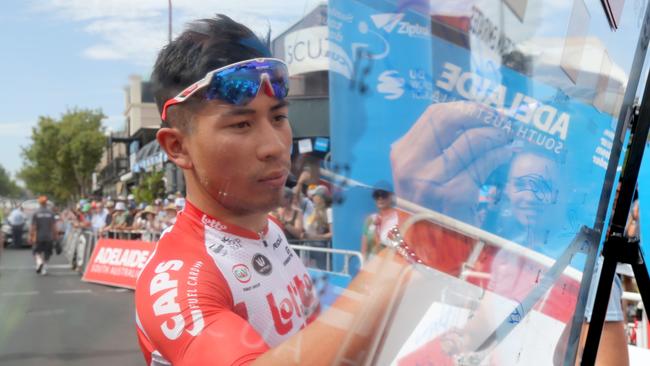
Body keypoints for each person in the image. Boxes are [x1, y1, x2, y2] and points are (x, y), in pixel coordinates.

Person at [134, 15, 413, 366]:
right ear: (177, 148)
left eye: (278, 118)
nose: (276, 147)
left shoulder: (270, 231)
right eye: (241, 124)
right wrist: (403, 256)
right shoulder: (180, 277)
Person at [361, 188, 398, 260]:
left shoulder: (398, 218)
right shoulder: (370, 219)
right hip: (371, 265)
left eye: (384, 195)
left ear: (391, 197)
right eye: (376, 195)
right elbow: (364, 248)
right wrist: (363, 264)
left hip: (390, 264)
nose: (380, 198)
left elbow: (399, 246)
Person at [29, 196, 57, 275]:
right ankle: (45, 268)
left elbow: (33, 226)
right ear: (46, 203)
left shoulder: (36, 213)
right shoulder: (51, 213)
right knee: (47, 253)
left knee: (36, 251)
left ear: (39, 203)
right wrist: (56, 236)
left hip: (38, 236)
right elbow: (54, 226)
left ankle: (39, 261)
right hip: (49, 236)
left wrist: (31, 236)